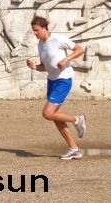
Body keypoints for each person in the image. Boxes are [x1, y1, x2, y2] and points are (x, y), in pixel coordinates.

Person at [26, 16, 87, 160]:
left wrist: (66, 59)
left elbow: (80, 49)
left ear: (44, 28)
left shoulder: (58, 39)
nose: (35, 33)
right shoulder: (40, 45)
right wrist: (34, 66)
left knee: (47, 113)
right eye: (33, 31)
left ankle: (78, 119)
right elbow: (45, 67)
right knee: (56, 118)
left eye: (37, 30)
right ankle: (74, 149)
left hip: (63, 80)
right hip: (52, 81)